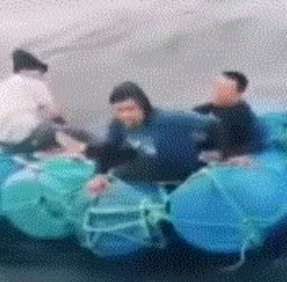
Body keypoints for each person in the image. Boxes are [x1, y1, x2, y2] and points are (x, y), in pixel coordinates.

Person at [62, 81, 219, 197]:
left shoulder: (171, 120)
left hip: (188, 177)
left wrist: (226, 152)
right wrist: (98, 175)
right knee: (110, 176)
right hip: (153, 172)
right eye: (120, 110)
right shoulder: (118, 124)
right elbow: (110, 150)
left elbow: (216, 125)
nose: (125, 115)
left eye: (131, 109)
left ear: (143, 106)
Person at [194, 71, 262, 166]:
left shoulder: (245, 117)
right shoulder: (202, 110)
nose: (217, 93)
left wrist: (223, 155)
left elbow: (252, 145)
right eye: (217, 88)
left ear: (239, 93)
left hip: (221, 160)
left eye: (224, 90)